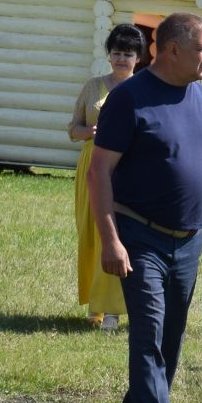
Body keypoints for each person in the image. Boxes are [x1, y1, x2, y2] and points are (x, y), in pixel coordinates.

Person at [90, 13, 202, 403]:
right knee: (150, 330)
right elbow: (100, 171)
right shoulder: (129, 99)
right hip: (139, 234)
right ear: (172, 48)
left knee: (171, 335)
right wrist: (110, 239)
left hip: (188, 240)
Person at [70, 25, 146, 330]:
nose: (121, 59)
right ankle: (95, 305)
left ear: (138, 58)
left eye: (128, 54)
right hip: (91, 164)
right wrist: (89, 132)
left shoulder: (142, 89)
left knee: (115, 234)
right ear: (108, 55)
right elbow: (72, 128)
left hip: (125, 167)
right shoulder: (93, 87)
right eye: (116, 53)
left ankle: (114, 309)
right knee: (90, 232)